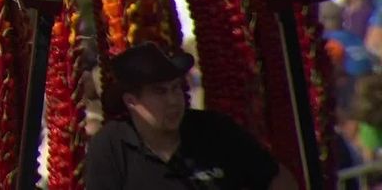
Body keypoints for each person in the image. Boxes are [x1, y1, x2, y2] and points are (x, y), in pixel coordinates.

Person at [85, 42, 296, 189]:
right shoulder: (110, 146)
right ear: (131, 101)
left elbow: (277, 177)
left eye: (176, 88)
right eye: (160, 92)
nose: (173, 100)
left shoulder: (215, 129)